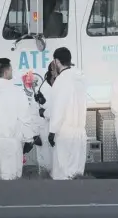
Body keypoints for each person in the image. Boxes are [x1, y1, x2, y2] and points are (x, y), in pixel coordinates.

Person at [48, 47, 87, 180]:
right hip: (80, 131)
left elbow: (58, 108)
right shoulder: (80, 78)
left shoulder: (61, 81)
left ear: (57, 61)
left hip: (65, 132)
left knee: (63, 175)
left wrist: (52, 131)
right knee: (77, 174)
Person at [31, 61, 57, 175]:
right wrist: (35, 134)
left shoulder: (62, 86)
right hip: (43, 131)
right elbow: (33, 112)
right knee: (45, 164)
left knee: (58, 165)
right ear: (52, 71)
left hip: (56, 129)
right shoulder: (40, 90)